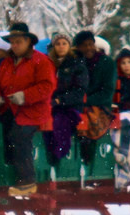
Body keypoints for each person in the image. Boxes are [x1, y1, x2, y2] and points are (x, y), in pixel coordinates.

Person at [0, 22, 56, 196]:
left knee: (18, 136)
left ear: (28, 42)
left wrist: (25, 96)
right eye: (12, 42)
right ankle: (4, 175)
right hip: (10, 110)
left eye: (18, 42)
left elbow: (47, 86)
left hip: (34, 112)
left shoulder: (41, 61)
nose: (15, 45)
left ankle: (27, 180)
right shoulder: (6, 63)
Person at [45, 32, 88, 164]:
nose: (61, 46)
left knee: (59, 122)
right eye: (58, 44)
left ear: (69, 46)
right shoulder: (48, 64)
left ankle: (59, 157)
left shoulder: (77, 65)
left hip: (71, 107)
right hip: (49, 105)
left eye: (64, 43)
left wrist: (60, 100)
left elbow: (79, 91)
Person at [74, 30, 116, 162]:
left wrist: (85, 101)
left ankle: (88, 161)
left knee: (89, 120)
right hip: (77, 103)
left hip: (100, 105)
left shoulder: (106, 63)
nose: (88, 48)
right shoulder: (75, 63)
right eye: (84, 45)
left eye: (90, 44)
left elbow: (107, 92)